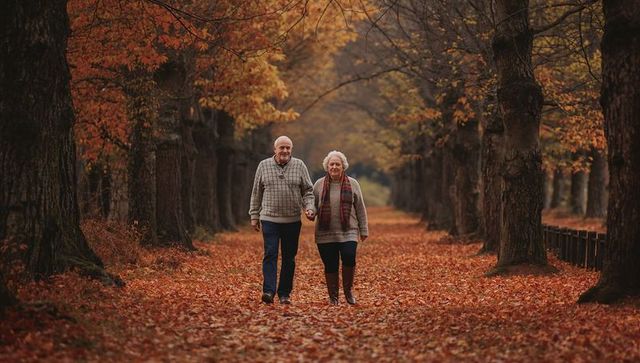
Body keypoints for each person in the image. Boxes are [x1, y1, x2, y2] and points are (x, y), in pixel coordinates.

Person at [249, 136, 316, 305]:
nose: (285, 151)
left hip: (292, 220)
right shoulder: (263, 165)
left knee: (289, 257)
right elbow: (256, 192)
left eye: (288, 148)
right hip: (269, 218)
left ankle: (284, 293)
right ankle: (269, 292)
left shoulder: (299, 165)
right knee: (270, 253)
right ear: (275, 149)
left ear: (291, 150)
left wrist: (310, 208)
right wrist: (254, 215)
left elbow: (308, 191)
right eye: (282, 148)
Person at [313, 151, 368, 305]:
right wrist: (310, 212)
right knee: (330, 264)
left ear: (343, 166)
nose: (335, 167)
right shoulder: (318, 184)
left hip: (348, 231)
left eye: (338, 164)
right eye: (332, 164)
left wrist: (363, 229)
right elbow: (312, 204)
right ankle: (333, 297)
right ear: (327, 167)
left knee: (349, 257)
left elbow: (360, 208)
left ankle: (348, 291)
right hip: (325, 233)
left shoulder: (353, 183)